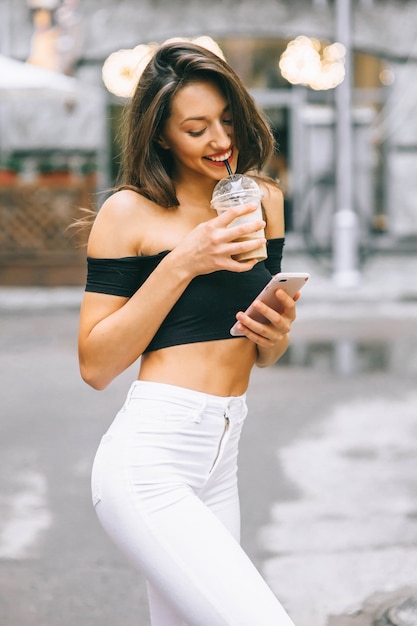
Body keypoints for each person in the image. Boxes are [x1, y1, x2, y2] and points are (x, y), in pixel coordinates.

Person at [78, 40, 299, 626]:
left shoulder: (262, 201)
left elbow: (262, 351)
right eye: (196, 128)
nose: (221, 141)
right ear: (160, 136)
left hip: (221, 458)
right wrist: (185, 259)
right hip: (150, 461)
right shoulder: (130, 213)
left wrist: (275, 334)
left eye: (227, 120)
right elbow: (96, 365)